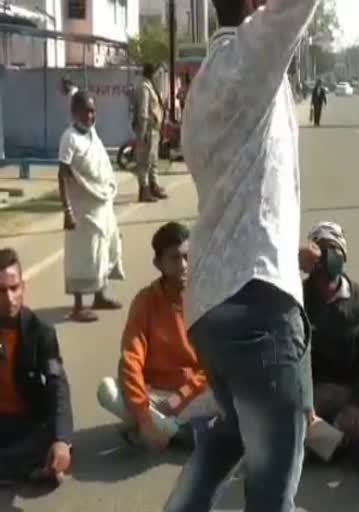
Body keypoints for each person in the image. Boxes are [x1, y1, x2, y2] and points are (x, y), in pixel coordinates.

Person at [163, 1, 320, 511]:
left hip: (212, 306)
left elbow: (244, 188)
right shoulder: (249, 54)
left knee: (233, 433)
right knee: (273, 492)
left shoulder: (206, 83)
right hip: (256, 304)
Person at [97, 222, 218, 451]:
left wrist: (180, 398)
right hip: (154, 397)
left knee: (229, 389)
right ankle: (171, 431)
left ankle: (162, 431)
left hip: (194, 395)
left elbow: (213, 364)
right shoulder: (145, 301)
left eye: (186, 256)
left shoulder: (205, 295)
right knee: (107, 390)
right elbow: (131, 359)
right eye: (174, 258)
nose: (183, 265)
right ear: (158, 263)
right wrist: (143, 414)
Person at [300, 222, 359, 457]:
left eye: (335, 249)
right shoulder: (295, 299)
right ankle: (342, 446)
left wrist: (357, 404)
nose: (329, 257)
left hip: (350, 393)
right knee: (280, 417)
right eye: (322, 250)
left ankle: (328, 442)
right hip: (310, 397)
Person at [0, 249, 73, 486]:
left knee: (49, 440)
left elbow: (57, 383)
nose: (9, 298)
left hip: (26, 423)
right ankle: (24, 469)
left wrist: (62, 440)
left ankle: (28, 465)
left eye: (14, 288)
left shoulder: (40, 332)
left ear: (23, 286)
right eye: (0, 291)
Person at [58, 90, 124, 323]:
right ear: (74, 112)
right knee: (82, 255)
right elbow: (63, 174)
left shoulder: (92, 134)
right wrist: (67, 211)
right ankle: (78, 306)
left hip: (101, 205)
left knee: (104, 250)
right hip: (82, 210)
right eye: (86, 111)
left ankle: (99, 296)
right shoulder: (69, 138)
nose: (91, 115)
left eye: (94, 111)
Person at [134, 63, 168, 203]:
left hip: (154, 129)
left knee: (153, 160)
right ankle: (144, 190)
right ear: (151, 73)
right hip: (147, 129)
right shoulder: (144, 87)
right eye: (156, 73)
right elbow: (143, 111)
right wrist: (143, 132)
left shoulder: (151, 86)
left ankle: (153, 186)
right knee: (144, 162)